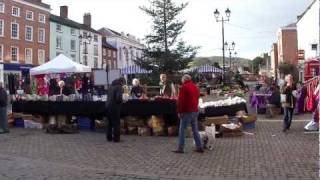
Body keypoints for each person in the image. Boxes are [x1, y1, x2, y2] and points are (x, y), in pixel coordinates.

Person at [173, 74, 203, 153]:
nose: (181, 81)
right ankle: (199, 146)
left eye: (182, 80)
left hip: (187, 111)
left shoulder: (184, 87)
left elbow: (181, 101)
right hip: (195, 110)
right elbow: (197, 98)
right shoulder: (195, 87)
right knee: (195, 130)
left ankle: (180, 148)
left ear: (184, 80)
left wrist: (179, 112)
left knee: (182, 130)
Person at [105, 77, 125, 142]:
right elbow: (118, 98)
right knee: (116, 123)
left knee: (109, 123)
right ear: (122, 82)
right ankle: (116, 139)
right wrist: (123, 101)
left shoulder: (111, 86)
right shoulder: (119, 87)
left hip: (107, 106)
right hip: (114, 107)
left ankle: (109, 138)